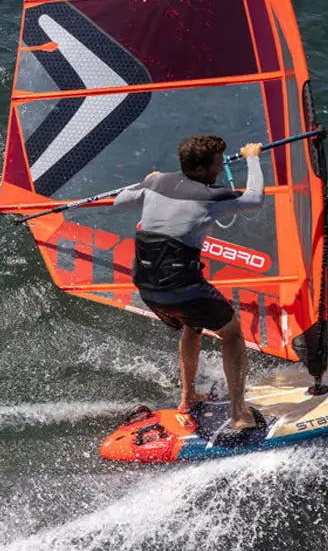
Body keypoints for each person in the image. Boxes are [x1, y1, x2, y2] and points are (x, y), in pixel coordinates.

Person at [111, 134, 264, 431]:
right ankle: (238, 414)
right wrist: (253, 158)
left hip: (147, 287)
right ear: (200, 169)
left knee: (192, 325)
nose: (220, 169)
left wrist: (146, 181)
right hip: (182, 287)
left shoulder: (156, 183)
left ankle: (188, 397)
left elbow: (120, 201)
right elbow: (255, 199)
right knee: (231, 332)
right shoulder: (212, 196)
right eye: (217, 164)